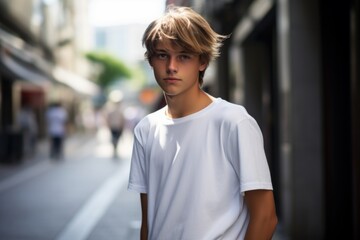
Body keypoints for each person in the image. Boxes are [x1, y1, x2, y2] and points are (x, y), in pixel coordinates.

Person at [128, 5, 277, 240]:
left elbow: (266, 216)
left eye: (184, 56)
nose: (171, 67)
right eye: (162, 55)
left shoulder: (233, 122)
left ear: (203, 62)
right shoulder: (145, 130)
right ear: (151, 60)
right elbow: (148, 221)